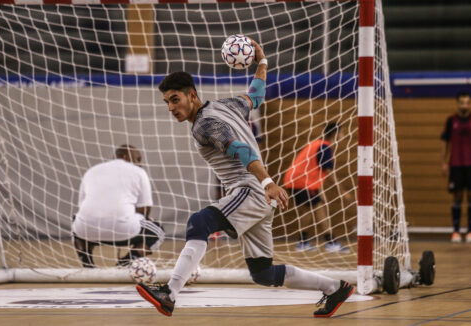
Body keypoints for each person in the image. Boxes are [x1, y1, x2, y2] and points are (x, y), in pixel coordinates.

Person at [136, 39, 353, 318]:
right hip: (259, 197)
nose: (170, 107)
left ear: (192, 95)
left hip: (250, 190)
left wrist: (266, 183)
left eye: (175, 99)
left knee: (198, 223)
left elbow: (240, 150)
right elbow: (257, 94)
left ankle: (169, 293)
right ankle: (334, 287)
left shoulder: (204, 124)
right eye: (167, 102)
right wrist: (262, 63)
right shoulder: (230, 104)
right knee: (263, 273)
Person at [72, 145, 165, 268]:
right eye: (137, 159)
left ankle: (87, 263)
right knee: (158, 232)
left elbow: (82, 206)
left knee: (77, 220)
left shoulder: (92, 170)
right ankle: (124, 264)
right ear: (125, 157)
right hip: (124, 230)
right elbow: (144, 210)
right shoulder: (139, 172)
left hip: (86, 231)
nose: (140, 163)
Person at [284, 122, 354, 253]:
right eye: (343, 132)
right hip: (301, 181)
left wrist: (320, 191)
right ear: (336, 134)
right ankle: (329, 242)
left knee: (312, 208)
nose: (344, 135)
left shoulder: (319, 145)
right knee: (316, 208)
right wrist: (342, 192)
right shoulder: (324, 147)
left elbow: (315, 170)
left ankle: (306, 242)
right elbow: (329, 173)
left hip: (298, 180)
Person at [441, 91, 471, 243]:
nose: (465, 105)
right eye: (462, 102)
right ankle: (455, 231)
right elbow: (445, 142)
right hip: (456, 164)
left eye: (467, 102)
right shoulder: (450, 121)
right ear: (458, 103)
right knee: (457, 196)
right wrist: (444, 162)